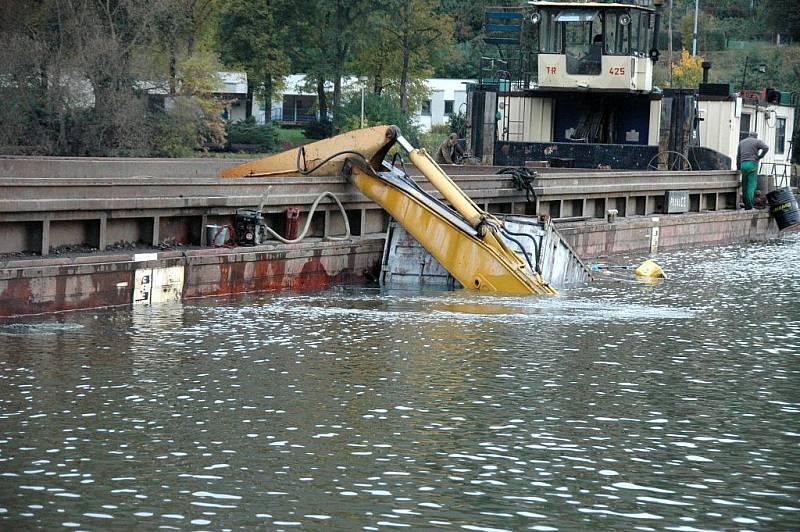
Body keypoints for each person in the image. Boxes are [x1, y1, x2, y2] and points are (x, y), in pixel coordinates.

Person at [737, 132, 769, 210]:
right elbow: (766, 148)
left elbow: (738, 156)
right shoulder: (757, 141)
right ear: (755, 136)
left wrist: (738, 167)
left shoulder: (741, 142)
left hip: (743, 165)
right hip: (752, 165)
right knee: (751, 185)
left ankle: (745, 203)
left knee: (744, 185)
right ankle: (749, 206)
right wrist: (760, 156)